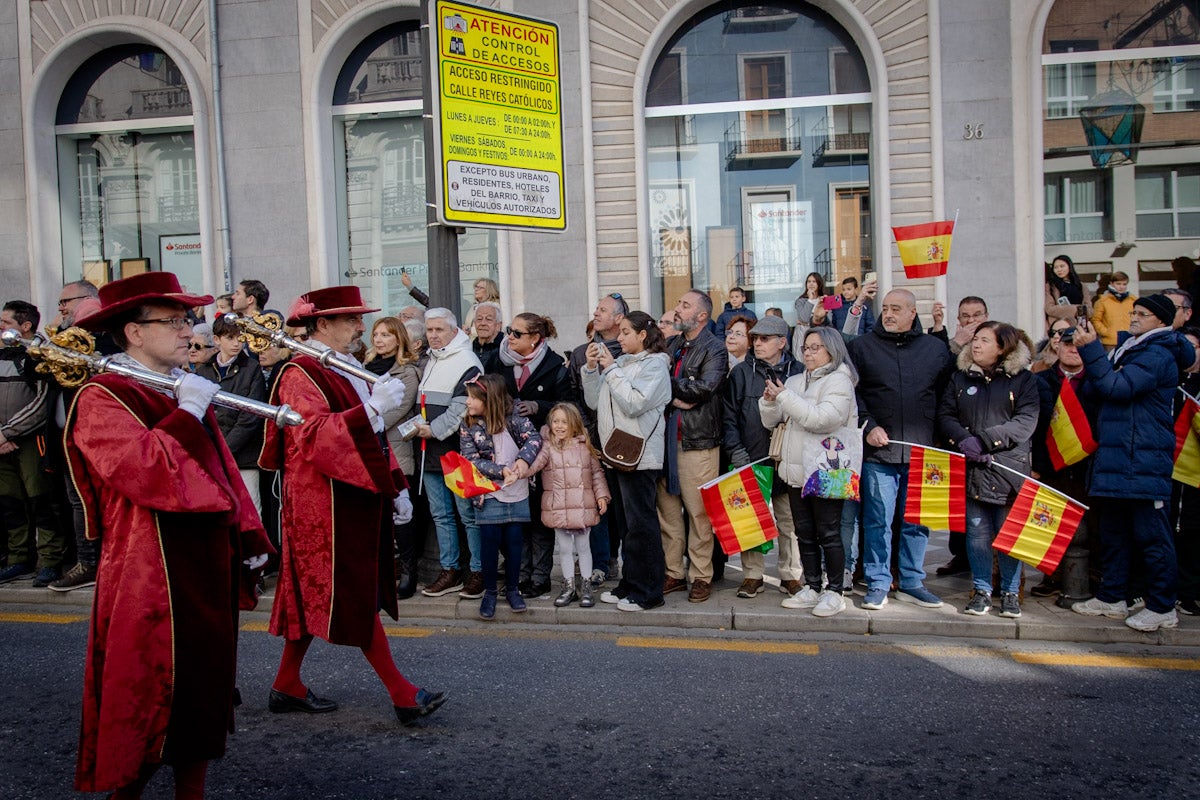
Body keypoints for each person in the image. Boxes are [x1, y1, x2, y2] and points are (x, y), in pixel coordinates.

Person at [64, 272, 272, 798]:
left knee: (201, 695)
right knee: (148, 695)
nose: (189, 331)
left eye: (186, 320)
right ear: (134, 332)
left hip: (200, 559)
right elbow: (143, 470)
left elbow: (219, 469)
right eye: (175, 321)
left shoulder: (177, 385)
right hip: (149, 571)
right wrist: (189, 412)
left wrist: (246, 538)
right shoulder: (101, 396)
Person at [260, 285, 444, 724]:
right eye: (350, 319)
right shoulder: (298, 374)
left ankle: (286, 684)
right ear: (321, 324)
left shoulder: (340, 367)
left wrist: (394, 484)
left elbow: (371, 443)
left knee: (313, 598)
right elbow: (315, 437)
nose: (361, 326)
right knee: (353, 595)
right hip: (322, 506)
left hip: (349, 496)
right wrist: (373, 410)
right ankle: (402, 693)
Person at [1070, 294, 1194, 631]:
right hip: (1118, 455)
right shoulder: (1131, 349)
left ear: (1161, 320)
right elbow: (1098, 389)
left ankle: (1162, 606)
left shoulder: (1157, 354)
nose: (1133, 318)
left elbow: (1114, 387)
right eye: (1134, 312)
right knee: (1114, 533)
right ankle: (1112, 597)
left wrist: (1091, 350)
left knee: (1152, 537)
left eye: (1142, 314)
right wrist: (1101, 364)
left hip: (1143, 457)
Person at [848, 288, 954, 611]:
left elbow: (947, 397)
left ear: (912, 313)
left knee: (917, 520)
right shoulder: (862, 348)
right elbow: (853, 395)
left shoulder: (935, 350)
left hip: (924, 453)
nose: (889, 314)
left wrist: (938, 438)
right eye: (885, 308)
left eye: (897, 308)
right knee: (878, 520)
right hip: (880, 452)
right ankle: (878, 581)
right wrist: (868, 425)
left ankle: (911, 581)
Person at [938, 322, 1040, 618]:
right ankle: (981, 589)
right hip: (972, 469)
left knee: (1008, 535)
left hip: (1008, 470)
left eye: (984, 340)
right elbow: (945, 414)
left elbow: (1025, 422)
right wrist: (963, 439)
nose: (976, 345)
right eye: (975, 340)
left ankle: (1009, 592)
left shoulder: (1023, 380)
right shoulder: (959, 378)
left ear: (1002, 347)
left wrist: (985, 441)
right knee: (977, 534)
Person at [760, 325, 861, 617]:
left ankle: (835, 591)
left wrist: (784, 398)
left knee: (829, 532)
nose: (808, 352)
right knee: (803, 532)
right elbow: (772, 421)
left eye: (815, 347)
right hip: (795, 468)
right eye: (805, 347)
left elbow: (823, 420)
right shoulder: (794, 380)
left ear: (832, 349)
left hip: (827, 470)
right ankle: (812, 585)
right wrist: (769, 402)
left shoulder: (839, 381)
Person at [583, 311, 672, 612]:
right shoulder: (621, 364)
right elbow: (595, 402)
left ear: (642, 335)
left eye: (624, 332)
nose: (618, 338)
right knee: (625, 526)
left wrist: (610, 370)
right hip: (616, 452)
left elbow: (634, 404)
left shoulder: (656, 366)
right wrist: (592, 369)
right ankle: (630, 585)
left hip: (640, 457)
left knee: (642, 526)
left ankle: (650, 591)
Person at [722, 314, 804, 598]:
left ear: (782, 342)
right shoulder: (741, 374)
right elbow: (728, 418)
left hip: (788, 459)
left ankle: (790, 575)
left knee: (789, 521)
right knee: (749, 521)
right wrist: (737, 451)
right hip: (752, 457)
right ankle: (752, 575)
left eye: (765, 339)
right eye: (755, 338)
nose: (757, 343)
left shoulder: (799, 373)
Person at [494, 311, 572, 599]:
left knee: (539, 517)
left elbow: (567, 404)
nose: (509, 337)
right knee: (516, 518)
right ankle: (519, 575)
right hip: (505, 447)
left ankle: (540, 578)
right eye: (509, 331)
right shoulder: (498, 359)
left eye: (516, 333)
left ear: (535, 338)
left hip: (540, 449)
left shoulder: (554, 366)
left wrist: (539, 405)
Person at [658, 289, 727, 603]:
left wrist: (669, 390)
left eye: (684, 305)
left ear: (702, 315)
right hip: (663, 443)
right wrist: (675, 394)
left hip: (697, 443)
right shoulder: (671, 345)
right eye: (679, 302)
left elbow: (704, 387)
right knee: (668, 514)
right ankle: (673, 572)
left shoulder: (715, 348)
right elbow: (655, 380)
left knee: (700, 515)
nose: (677, 308)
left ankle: (701, 576)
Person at [458, 373, 542, 619]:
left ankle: (513, 589)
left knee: (515, 541)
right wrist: (499, 471)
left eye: (473, 398)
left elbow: (534, 439)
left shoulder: (515, 417)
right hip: (487, 491)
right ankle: (490, 591)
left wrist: (521, 462)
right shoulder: (469, 424)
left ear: (489, 399)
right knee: (489, 541)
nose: (467, 403)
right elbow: (470, 459)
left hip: (516, 488)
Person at [416, 308, 484, 597]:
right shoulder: (432, 358)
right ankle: (450, 570)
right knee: (441, 515)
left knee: (467, 514)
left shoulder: (467, 361)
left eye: (439, 330)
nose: (433, 335)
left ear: (454, 331)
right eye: (429, 330)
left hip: (456, 451)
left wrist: (433, 430)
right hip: (430, 452)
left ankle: (478, 571)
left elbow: (461, 406)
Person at [1029, 320, 1098, 599]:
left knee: (1092, 526)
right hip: (1049, 465)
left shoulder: (1097, 379)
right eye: (1067, 344)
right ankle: (1052, 576)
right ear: (1057, 346)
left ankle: (1093, 576)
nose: (1073, 350)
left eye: (1079, 345)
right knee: (1049, 521)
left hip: (1088, 465)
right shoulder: (1040, 380)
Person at [566, 293, 628, 587]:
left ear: (619, 318)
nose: (596, 312)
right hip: (591, 439)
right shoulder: (581, 353)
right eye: (596, 309)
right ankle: (601, 562)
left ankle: (620, 560)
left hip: (624, 441)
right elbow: (573, 395)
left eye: (603, 310)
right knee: (597, 505)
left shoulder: (629, 351)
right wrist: (584, 432)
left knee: (621, 505)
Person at [0, 301, 62, 587]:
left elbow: (42, 404)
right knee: (10, 504)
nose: (0, 327)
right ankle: (17, 560)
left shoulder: (37, 356)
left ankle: (49, 561)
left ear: (25, 326)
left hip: (30, 442)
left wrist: (8, 433)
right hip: (2, 443)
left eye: (5, 322)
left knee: (41, 502)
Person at [529, 402, 611, 608]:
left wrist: (602, 496)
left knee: (584, 548)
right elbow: (535, 464)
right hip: (559, 507)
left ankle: (586, 587)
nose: (559, 426)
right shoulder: (546, 446)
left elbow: (596, 474)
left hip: (582, 506)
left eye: (564, 422)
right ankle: (568, 587)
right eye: (555, 421)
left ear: (573, 424)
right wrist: (518, 471)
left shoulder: (585, 447)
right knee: (565, 548)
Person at [364, 317, 423, 599]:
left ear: (398, 339)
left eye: (386, 335)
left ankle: (409, 572)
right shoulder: (362, 367)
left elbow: (394, 411)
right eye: (376, 334)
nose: (379, 339)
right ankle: (384, 570)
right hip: (367, 449)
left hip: (395, 449)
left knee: (403, 517)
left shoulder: (407, 372)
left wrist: (361, 422)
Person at [193, 315, 268, 516]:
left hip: (244, 456)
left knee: (250, 511)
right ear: (217, 340)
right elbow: (199, 413)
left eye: (240, 337)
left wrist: (224, 449)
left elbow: (250, 417)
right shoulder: (205, 370)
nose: (237, 343)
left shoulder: (251, 368)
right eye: (230, 338)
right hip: (213, 453)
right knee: (218, 509)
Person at [1174, 324, 1200, 616]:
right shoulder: (1172, 382)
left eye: (1192, 345)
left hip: (1194, 471)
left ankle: (1191, 590)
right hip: (1171, 468)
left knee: (1194, 533)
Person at [1090, 271, 1135, 349]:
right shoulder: (1102, 301)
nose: (1121, 287)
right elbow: (1095, 320)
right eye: (1118, 284)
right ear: (1111, 284)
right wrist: (1106, 332)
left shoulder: (1133, 301)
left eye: (1124, 284)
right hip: (1110, 342)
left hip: (1130, 341)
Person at [1045, 254, 1093, 327]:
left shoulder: (1081, 286)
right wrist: (1077, 309)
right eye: (1055, 267)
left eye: (1062, 266)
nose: (1059, 270)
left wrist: (1078, 310)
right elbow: (1050, 309)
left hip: (1079, 326)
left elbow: (1089, 310)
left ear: (1069, 266)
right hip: (1060, 327)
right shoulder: (1051, 286)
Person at [472, 300, 503, 373]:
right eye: (479, 319)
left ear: (498, 325)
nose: (483, 323)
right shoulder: (469, 349)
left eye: (488, 319)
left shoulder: (504, 351)